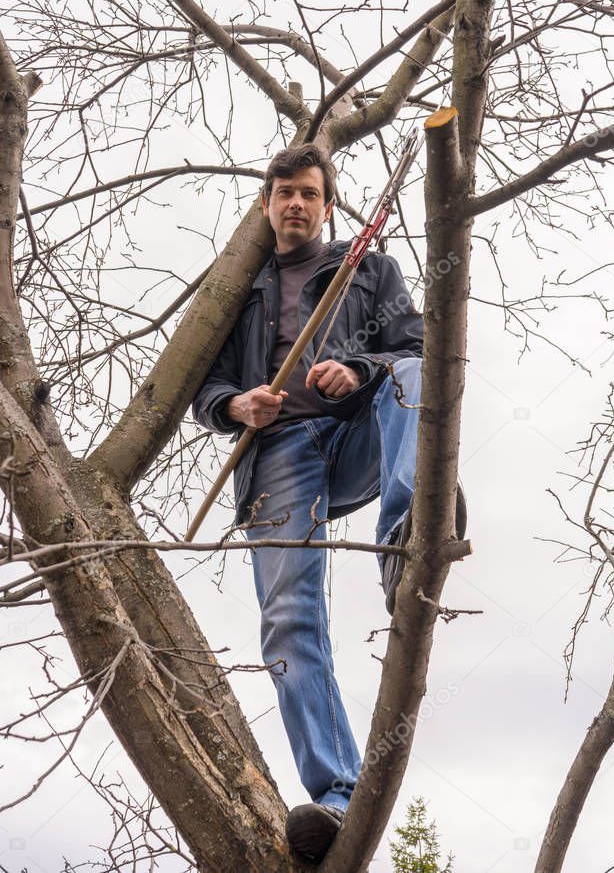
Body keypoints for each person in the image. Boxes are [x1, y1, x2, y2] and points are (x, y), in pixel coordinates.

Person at [192, 143, 466, 862]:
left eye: (309, 193)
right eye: (284, 192)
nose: (296, 205)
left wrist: (359, 365)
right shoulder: (237, 288)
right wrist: (236, 406)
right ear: (266, 204)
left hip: (358, 431)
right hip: (276, 452)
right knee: (288, 623)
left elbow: (417, 344)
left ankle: (405, 539)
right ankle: (338, 795)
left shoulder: (367, 270)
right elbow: (205, 388)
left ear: (328, 205)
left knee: (412, 370)